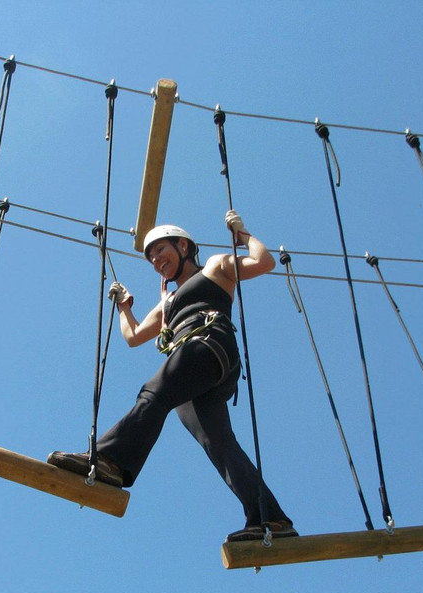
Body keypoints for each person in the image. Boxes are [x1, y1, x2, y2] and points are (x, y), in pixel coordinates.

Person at [48, 210, 297, 542]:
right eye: (150, 257)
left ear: (183, 246)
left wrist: (244, 236)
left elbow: (264, 263)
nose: (155, 260)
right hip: (194, 367)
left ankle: (110, 459)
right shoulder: (167, 303)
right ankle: (271, 519)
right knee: (219, 444)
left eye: (160, 251)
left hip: (208, 345)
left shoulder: (215, 267)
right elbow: (134, 336)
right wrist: (125, 306)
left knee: (153, 394)